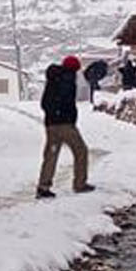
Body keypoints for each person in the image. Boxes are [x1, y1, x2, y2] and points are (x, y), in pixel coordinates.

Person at [38, 56, 94, 199]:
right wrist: (65, 116)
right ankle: (79, 184)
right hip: (64, 124)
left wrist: (52, 115)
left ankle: (43, 187)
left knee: (51, 154)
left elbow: (45, 103)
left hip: (51, 124)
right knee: (81, 151)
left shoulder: (53, 79)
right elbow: (66, 102)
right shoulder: (67, 79)